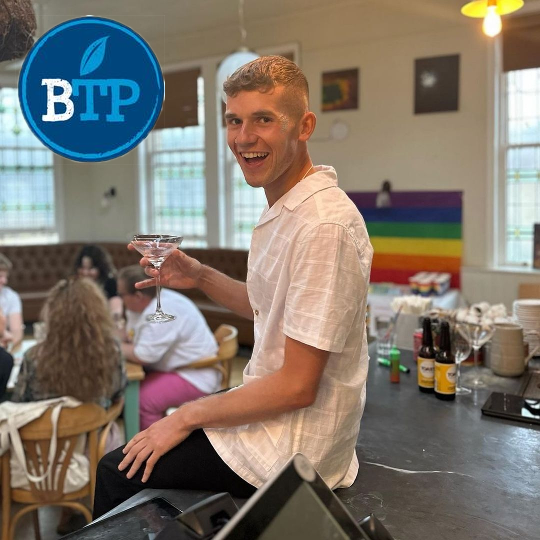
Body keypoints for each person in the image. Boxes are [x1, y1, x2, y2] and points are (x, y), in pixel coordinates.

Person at [94, 56, 373, 518]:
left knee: (116, 470)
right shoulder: (287, 208)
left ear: (304, 126)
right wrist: (200, 276)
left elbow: (298, 387)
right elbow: (267, 308)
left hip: (293, 446)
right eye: (234, 120)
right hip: (279, 419)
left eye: (264, 119)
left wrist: (184, 416)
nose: (244, 138)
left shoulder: (325, 225)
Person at [117, 265, 219, 430]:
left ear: (138, 296)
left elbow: (143, 355)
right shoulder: (152, 302)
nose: (120, 299)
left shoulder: (162, 312)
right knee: (128, 389)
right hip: (181, 367)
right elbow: (131, 336)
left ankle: (152, 451)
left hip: (195, 375)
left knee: (142, 400)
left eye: (122, 295)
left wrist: (113, 344)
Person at [11, 277, 126, 408]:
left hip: (47, 427)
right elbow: (118, 394)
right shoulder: (112, 350)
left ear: (52, 315)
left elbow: (19, 404)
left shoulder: (34, 357)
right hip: (96, 425)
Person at [72, 244, 123, 321]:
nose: (85, 273)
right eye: (82, 267)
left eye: (91, 268)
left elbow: (116, 312)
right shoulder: (74, 284)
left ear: (101, 268)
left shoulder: (110, 283)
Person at [0, 253, 24, 352]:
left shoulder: (11, 296)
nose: (4, 281)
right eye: (0, 276)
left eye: (6, 276)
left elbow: (17, 332)